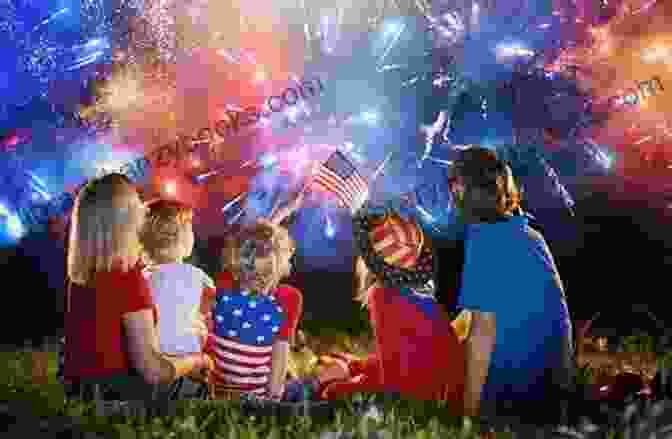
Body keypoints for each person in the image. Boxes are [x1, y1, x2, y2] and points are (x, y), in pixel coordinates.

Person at [450, 147, 574, 423]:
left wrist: (468, 413)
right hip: (555, 390)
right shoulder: (530, 235)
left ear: (460, 189)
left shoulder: (485, 241)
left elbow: (482, 332)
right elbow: (480, 311)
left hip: (515, 396)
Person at [63, 173, 211, 401]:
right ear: (129, 220)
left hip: (78, 392)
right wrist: (195, 361)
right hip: (116, 397)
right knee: (200, 387)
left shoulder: (82, 278)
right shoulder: (128, 279)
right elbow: (152, 369)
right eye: (137, 206)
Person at [317, 210, 466, 413]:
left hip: (422, 400)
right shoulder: (419, 291)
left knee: (331, 392)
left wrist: (349, 382)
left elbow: (394, 378)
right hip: (449, 393)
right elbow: (406, 358)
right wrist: (355, 367)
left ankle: (292, 406)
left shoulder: (383, 296)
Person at [206, 220, 303, 400]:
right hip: (257, 400)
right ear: (279, 264)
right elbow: (279, 357)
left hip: (215, 394)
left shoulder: (222, 289)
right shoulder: (287, 300)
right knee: (305, 385)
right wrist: (273, 401)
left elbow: (253, 244)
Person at [139, 200, 216, 398]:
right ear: (183, 239)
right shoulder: (200, 278)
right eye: (190, 229)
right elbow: (208, 315)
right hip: (187, 368)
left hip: (149, 368)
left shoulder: (140, 279)